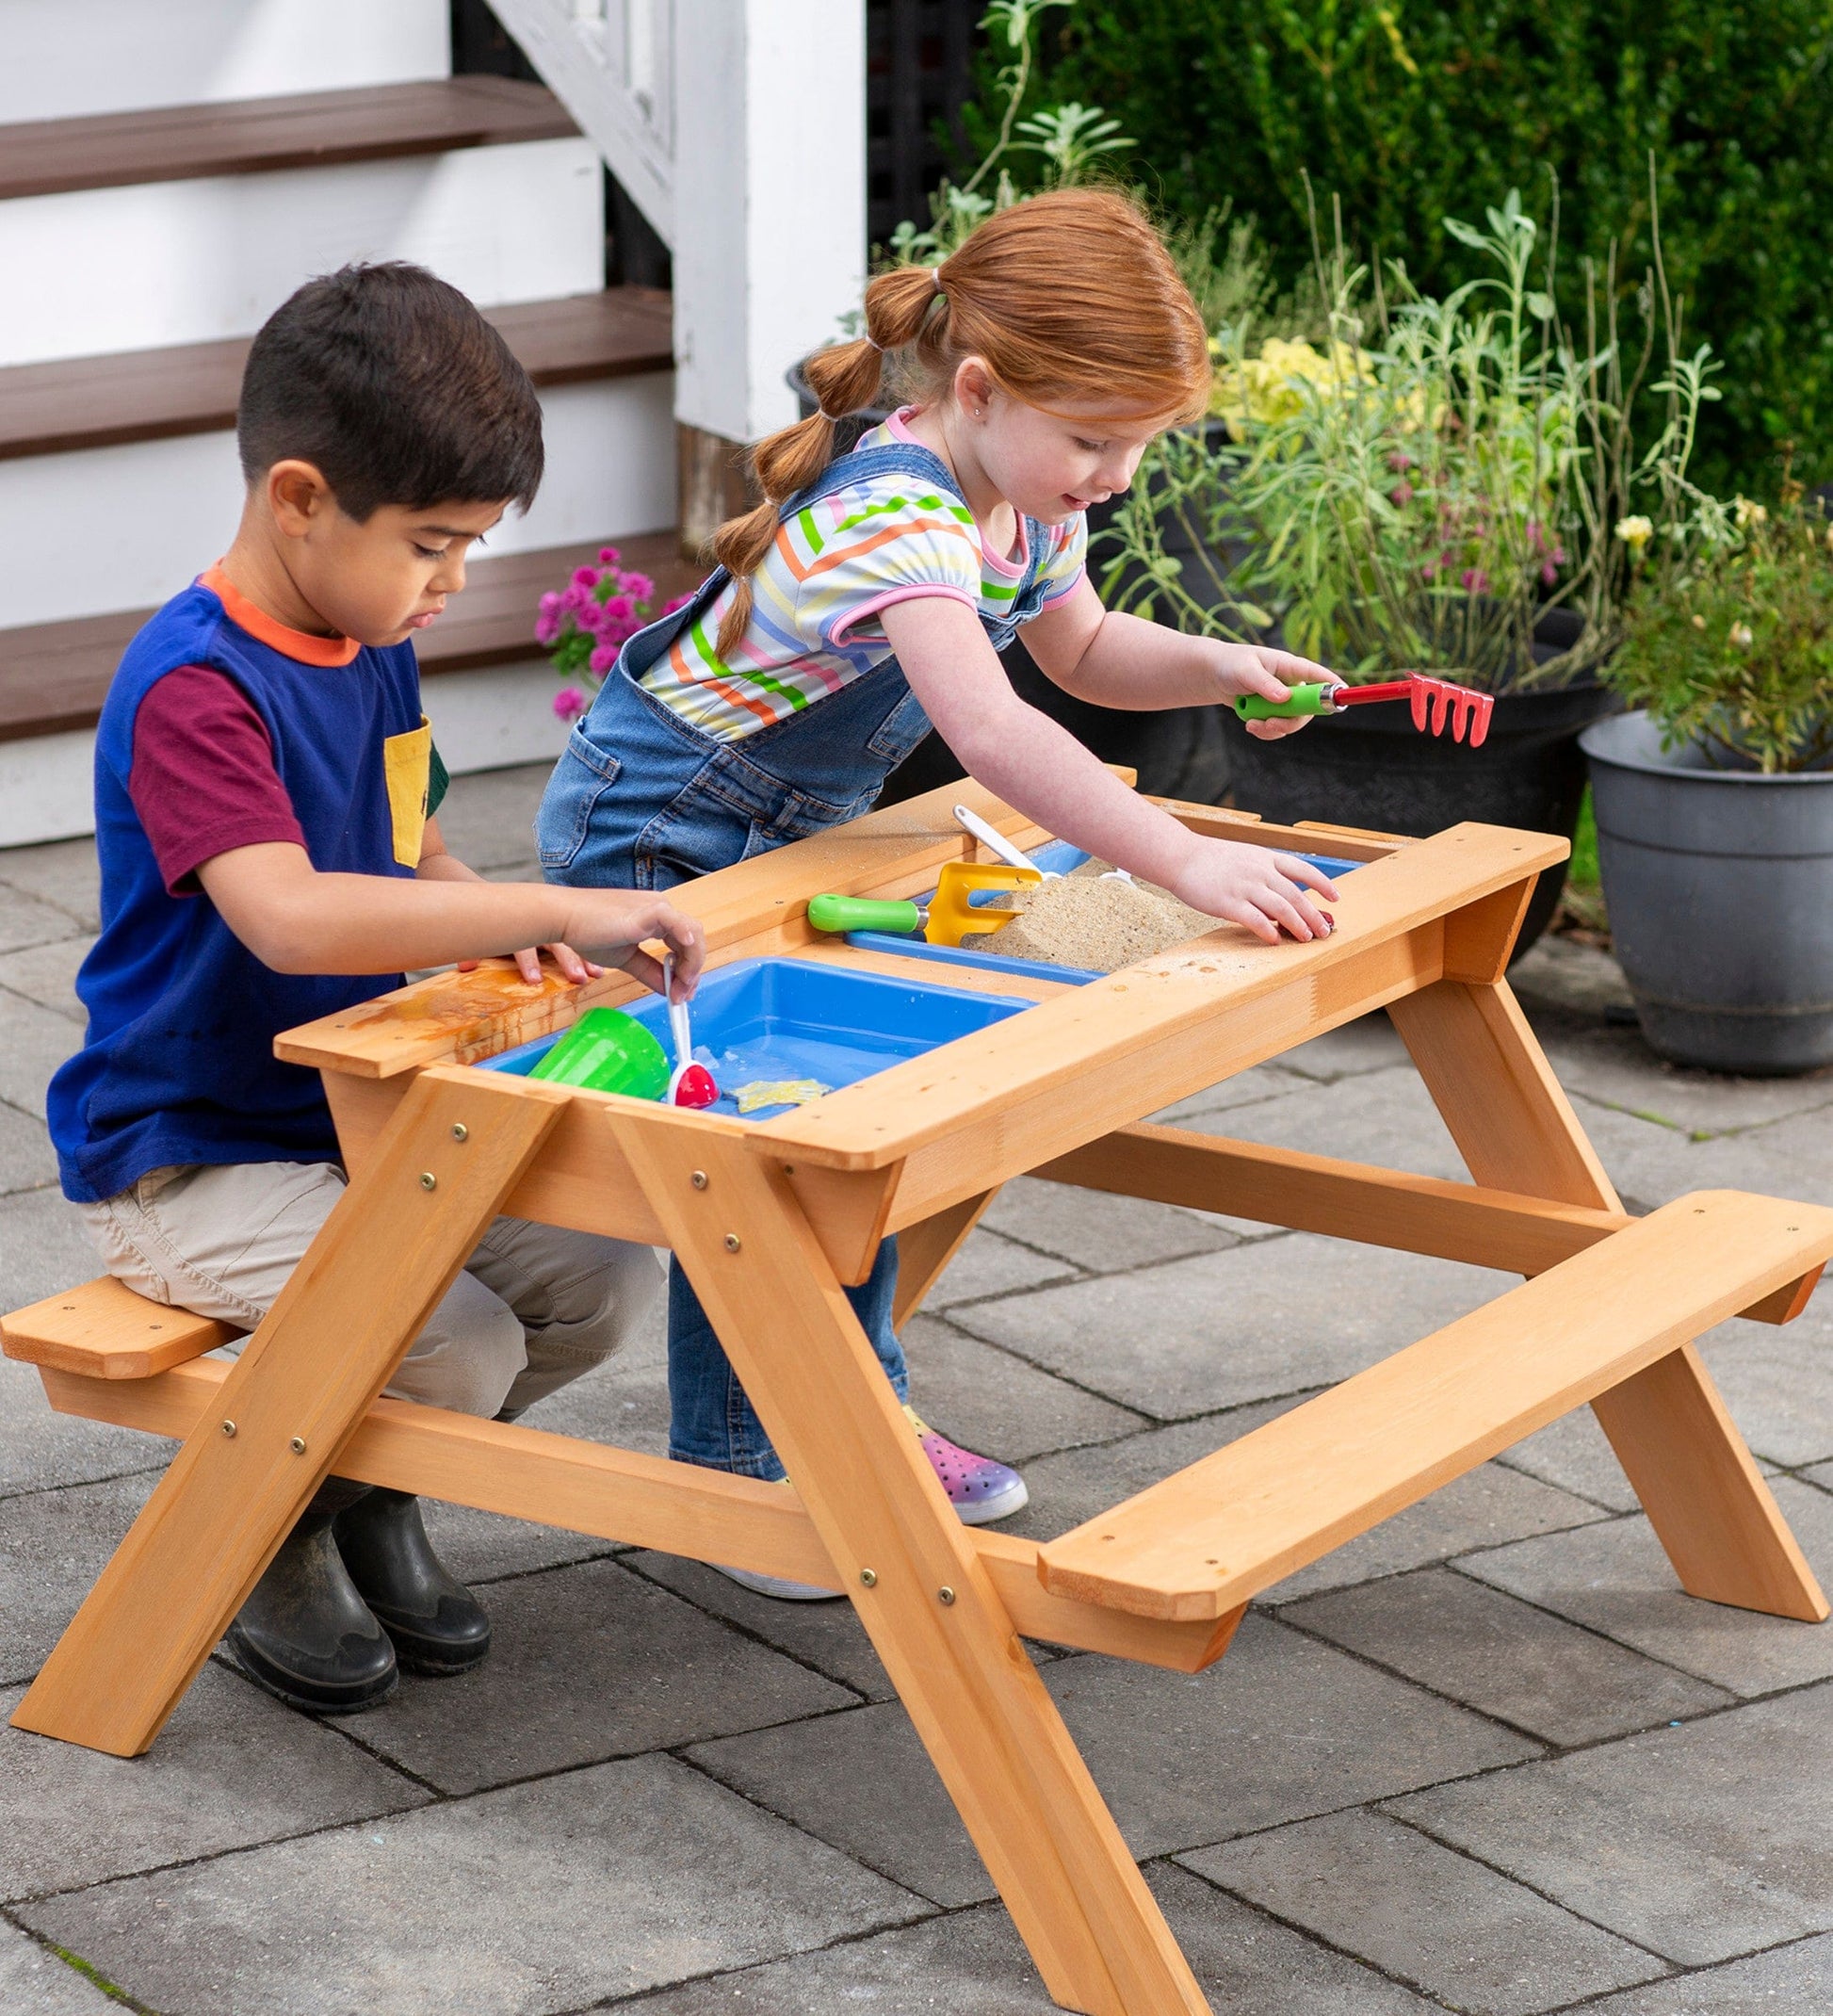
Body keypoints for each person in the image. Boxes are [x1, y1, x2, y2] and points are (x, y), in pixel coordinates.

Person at [537, 188, 1338, 1598]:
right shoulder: (899, 516)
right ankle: (757, 1468)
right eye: (1093, 440)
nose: (1114, 476)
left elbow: (1080, 655)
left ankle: (851, 1415)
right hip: (658, 831)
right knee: (768, 1160)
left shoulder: (1022, 499)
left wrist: (1218, 663)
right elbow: (996, 733)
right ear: (976, 388)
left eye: (1135, 448)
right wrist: (1187, 859)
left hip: (787, 823)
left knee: (852, 1138)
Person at [47, 264, 705, 1714]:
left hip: (353, 1120)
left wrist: (479, 923)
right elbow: (285, 916)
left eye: (468, 544)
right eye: (431, 543)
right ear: (299, 498)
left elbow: (405, 841)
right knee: (456, 1341)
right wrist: (555, 901)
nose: (453, 580)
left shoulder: (367, 642)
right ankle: (269, 1524)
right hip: (189, 1154)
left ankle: (358, 1489)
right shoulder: (195, 687)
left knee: (600, 1284)